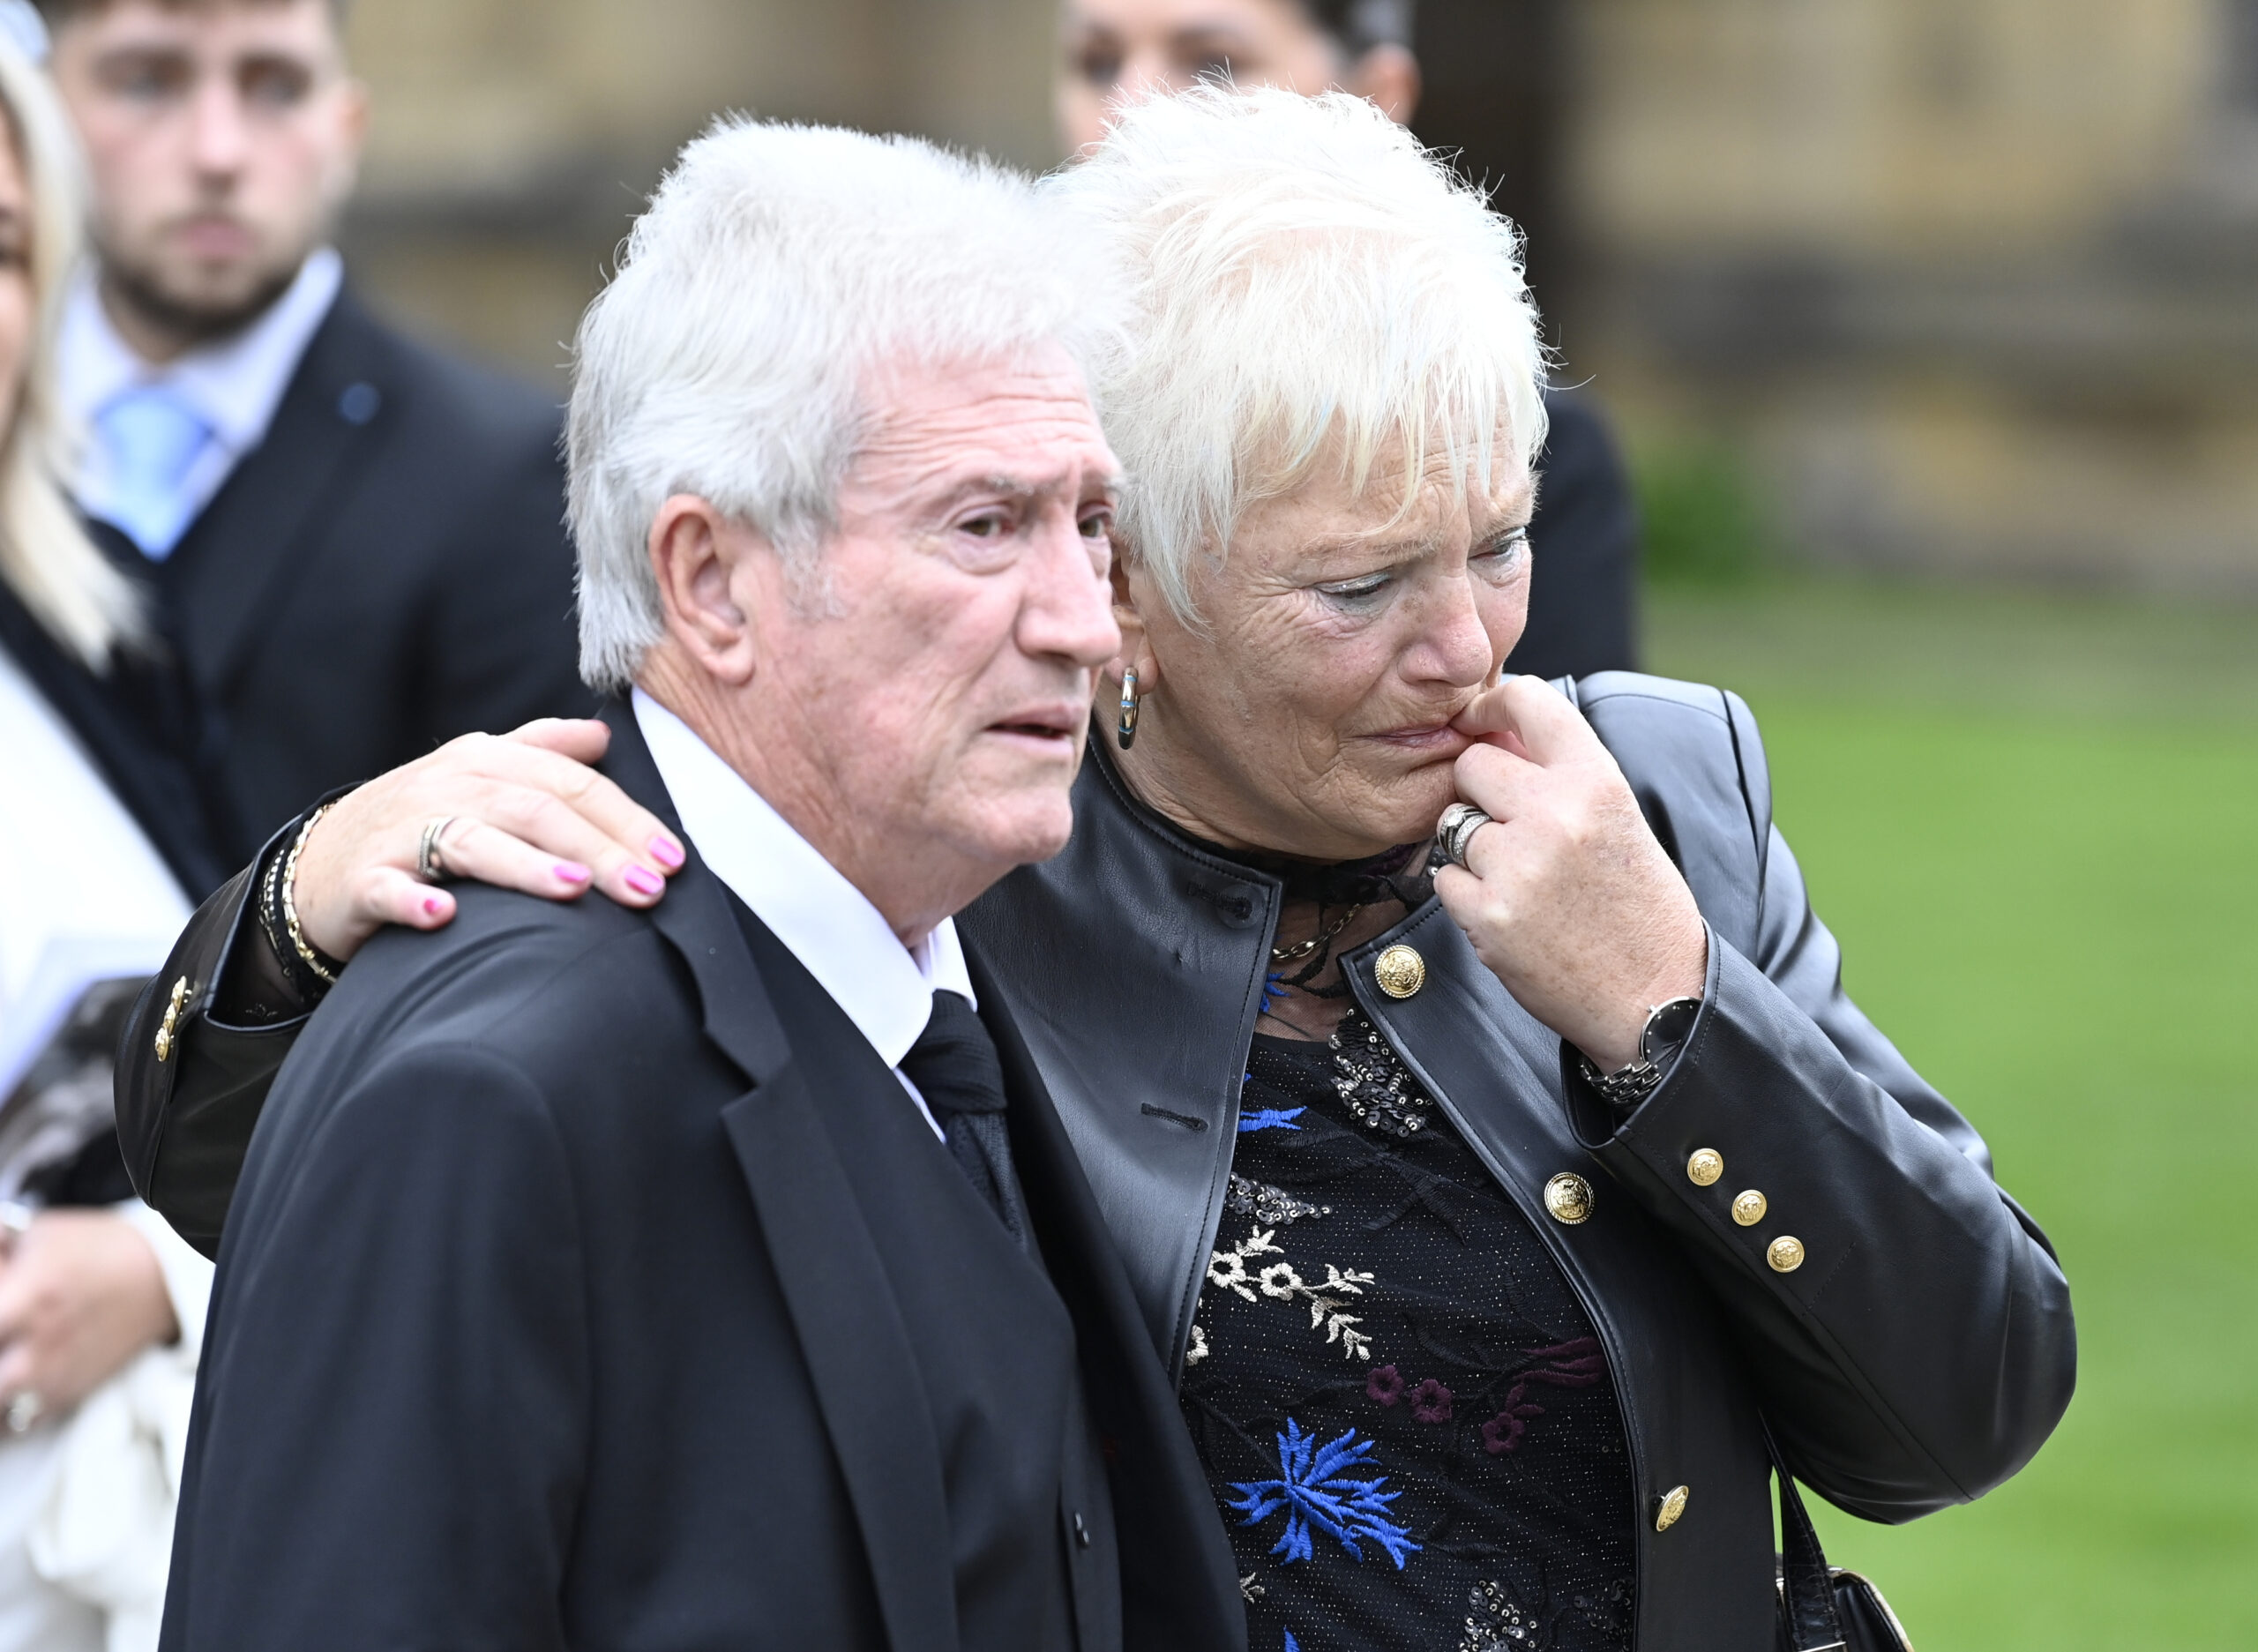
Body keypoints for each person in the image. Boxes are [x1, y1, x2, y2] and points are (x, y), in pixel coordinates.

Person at [126, 92, 2074, 1651]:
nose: (1466, 645)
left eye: (1491, 543)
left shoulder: (1649, 787)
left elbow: (1964, 1407)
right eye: (1356, 585)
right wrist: (297, 907)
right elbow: (383, 1198)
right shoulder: (954, 849)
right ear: (1131, 579)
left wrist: (1673, 1018)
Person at [153, 118, 1244, 1652]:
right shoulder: (493, 1093)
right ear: (712, 580)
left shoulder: (954, 967)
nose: (1082, 620)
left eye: (1090, 522)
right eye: (985, 524)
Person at [38, 0, 588, 856]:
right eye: (145, 81)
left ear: (346, 126)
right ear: (41, 111)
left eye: (276, 87)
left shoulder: (502, 475)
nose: (217, 152)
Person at [1057, 0, 1641, 681]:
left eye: (1213, 65)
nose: (1129, 110)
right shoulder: (970, 416)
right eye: (1097, 63)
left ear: (1372, 97)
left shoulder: (1519, 444)